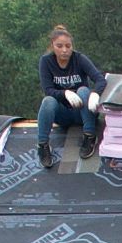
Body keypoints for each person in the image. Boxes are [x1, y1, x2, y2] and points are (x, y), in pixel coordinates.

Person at [37, 25, 108, 167]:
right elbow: (48, 90)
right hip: (64, 113)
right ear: (52, 46)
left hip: (83, 112)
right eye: (59, 46)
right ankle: (43, 145)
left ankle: (89, 136)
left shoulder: (79, 59)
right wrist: (64, 93)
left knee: (82, 90)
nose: (64, 50)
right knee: (48, 101)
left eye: (68, 46)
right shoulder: (46, 62)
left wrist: (95, 93)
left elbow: (100, 79)